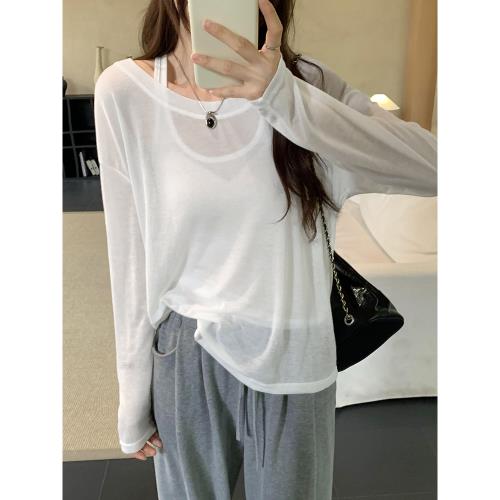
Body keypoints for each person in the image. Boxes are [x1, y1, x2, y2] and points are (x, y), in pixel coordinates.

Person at [94, 0, 437, 498]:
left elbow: (436, 166)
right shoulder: (125, 91)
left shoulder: (309, 86)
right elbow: (129, 253)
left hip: (293, 351)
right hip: (184, 352)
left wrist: (283, 98)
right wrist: (132, 393)